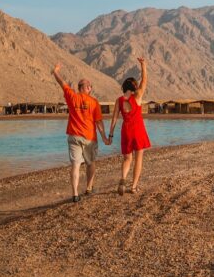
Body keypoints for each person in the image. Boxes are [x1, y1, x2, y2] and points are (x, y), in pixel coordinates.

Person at [52, 63, 110, 203]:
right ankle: (89, 188)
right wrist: (104, 138)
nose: (91, 88)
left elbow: (62, 83)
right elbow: (99, 123)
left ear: (79, 88)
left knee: (76, 165)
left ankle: (75, 194)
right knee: (91, 163)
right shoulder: (94, 102)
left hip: (74, 136)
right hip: (90, 137)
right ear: (87, 88)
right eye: (90, 86)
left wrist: (55, 72)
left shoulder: (72, 96)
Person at [108, 57, 151, 194]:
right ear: (134, 86)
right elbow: (144, 81)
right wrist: (143, 65)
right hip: (138, 130)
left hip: (125, 130)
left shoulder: (119, 100)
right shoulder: (137, 96)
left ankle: (123, 179)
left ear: (123, 87)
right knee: (138, 158)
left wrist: (110, 135)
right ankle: (133, 187)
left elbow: (114, 118)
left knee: (127, 158)